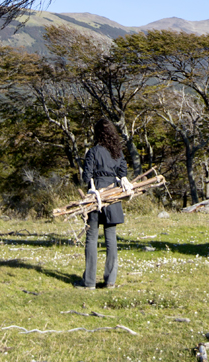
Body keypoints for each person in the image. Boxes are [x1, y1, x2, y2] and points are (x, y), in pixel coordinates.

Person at [79, 117, 135, 289]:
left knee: (92, 237)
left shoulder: (93, 152)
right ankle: (110, 280)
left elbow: (86, 177)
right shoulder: (117, 152)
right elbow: (123, 171)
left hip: (96, 196)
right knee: (111, 238)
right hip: (113, 195)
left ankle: (89, 282)